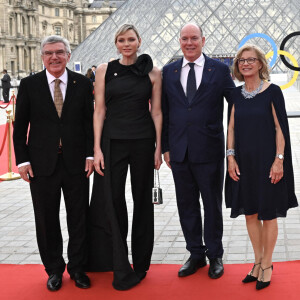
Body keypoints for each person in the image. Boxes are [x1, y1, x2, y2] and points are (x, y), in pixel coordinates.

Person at [13, 35, 94, 291]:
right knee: (46, 219)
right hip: (40, 163)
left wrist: (90, 155)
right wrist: (22, 160)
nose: (54, 57)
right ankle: (54, 270)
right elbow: (20, 126)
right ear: (42, 57)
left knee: (79, 217)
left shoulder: (82, 83)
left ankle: (78, 267)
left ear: (69, 55)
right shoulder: (29, 84)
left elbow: (89, 123)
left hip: (76, 162)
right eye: (49, 53)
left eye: (59, 52)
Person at [88, 24, 162, 290]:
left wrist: (158, 147)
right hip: (112, 143)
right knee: (114, 202)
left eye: (131, 39)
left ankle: (141, 264)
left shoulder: (153, 72)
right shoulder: (104, 70)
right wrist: (96, 149)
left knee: (143, 201)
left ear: (139, 41)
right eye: (121, 40)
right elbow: (99, 111)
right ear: (115, 43)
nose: (126, 44)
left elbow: (156, 112)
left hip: (143, 142)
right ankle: (120, 264)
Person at [162, 23, 235, 279]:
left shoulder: (220, 70)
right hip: (179, 152)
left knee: (212, 206)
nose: (189, 43)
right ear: (179, 41)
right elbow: (164, 112)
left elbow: (235, 107)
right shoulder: (168, 72)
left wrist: (234, 148)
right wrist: (165, 147)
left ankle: (215, 254)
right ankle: (196, 254)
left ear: (203, 40)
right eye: (185, 38)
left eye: (194, 38)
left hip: (210, 150)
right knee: (187, 205)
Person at [225, 44, 298, 290]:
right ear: (237, 65)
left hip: (267, 162)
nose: (245, 63)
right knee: (250, 213)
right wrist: (230, 157)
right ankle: (257, 261)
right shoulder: (234, 95)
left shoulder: (273, 91)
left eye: (251, 60)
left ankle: (267, 264)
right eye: (241, 60)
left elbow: (280, 128)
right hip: (244, 162)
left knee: (268, 213)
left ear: (260, 64)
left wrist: (279, 160)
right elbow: (231, 128)